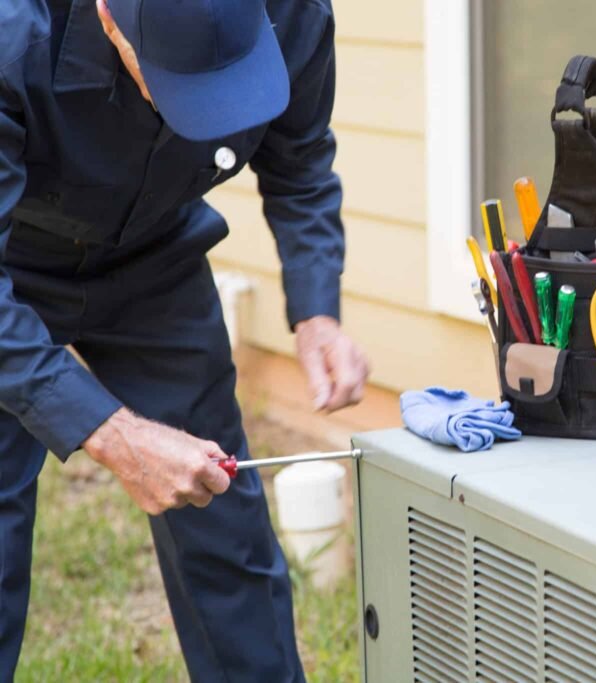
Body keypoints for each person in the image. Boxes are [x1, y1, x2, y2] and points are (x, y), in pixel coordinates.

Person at [0, 0, 369, 678]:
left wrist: (317, 308)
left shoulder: (296, 14)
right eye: (183, 81)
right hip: (12, 266)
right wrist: (114, 435)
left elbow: (300, 155)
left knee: (222, 514)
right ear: (110, 19)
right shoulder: (13, 36)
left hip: (156, 259)